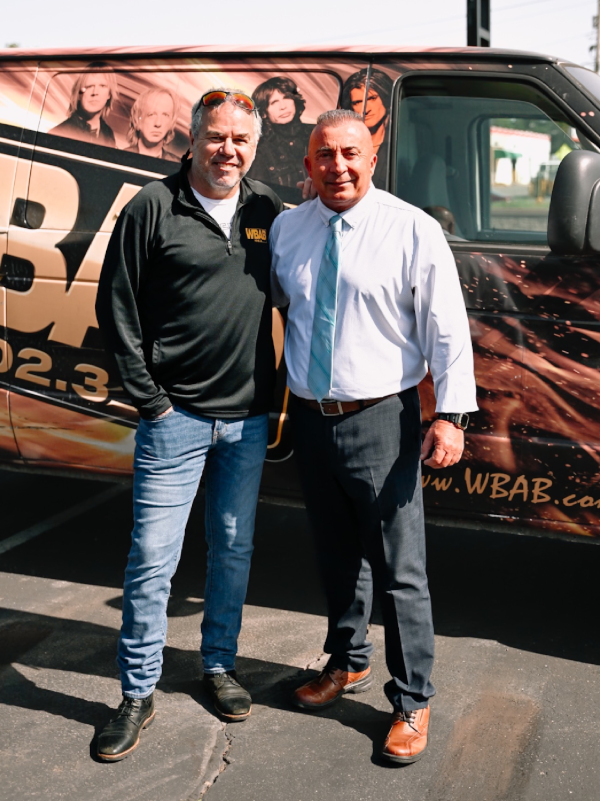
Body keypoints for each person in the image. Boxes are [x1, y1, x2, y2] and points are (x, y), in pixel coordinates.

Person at [270, 110, 477, 764]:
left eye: (350, 153)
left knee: (398, 568)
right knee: (335, 553)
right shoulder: (287, 229)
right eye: (325, 155)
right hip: (312, 416)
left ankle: (412, 698)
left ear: (371, 158)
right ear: (308, 164)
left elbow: (447, 328)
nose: (338, 166)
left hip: (382, 417)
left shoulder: (411, 229)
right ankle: (347, 659)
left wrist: (451, 415)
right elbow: (279, 312)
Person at [94, 89, 283, 761]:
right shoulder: (152, 206)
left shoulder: (266, 209)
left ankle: (219, 664)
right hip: (174, 418)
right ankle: (136, 692)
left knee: (232, 550)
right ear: (193, 140)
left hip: (247, 420)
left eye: (241, 139)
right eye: (216, 137)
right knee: (153, 559)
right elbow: (115, 307)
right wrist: (151, 401)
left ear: (254, 146)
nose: (228, 150)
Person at [248, 76, 312, 188]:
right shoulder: (260, 150)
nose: (283, 106)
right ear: (264, 113)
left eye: (287, 98)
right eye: (274, 102)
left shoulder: (316, 134)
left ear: (295, 100)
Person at [341, 68, 393, 189]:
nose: (366, 109)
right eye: (357, 102)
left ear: (385, 98)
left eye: (372, 98)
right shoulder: (341, 144)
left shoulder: (400, 145)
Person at [49, 61, 117, 147]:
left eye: (102, 86)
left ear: (109, 94)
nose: (95, 92)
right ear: (79, 94)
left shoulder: (109, 135)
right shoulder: (59, 134)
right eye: (89, 86)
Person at [125, 87, 180, 161]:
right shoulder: (120, 158)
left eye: (165, 115)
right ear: (137, 120)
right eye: (151, 114)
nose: (158, 123)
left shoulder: (178, 165)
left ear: (172, 123)